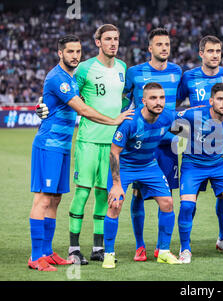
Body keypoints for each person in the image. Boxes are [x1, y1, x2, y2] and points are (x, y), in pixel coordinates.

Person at [28, 34, 133, 271]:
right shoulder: (58, 77)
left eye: (78, 52)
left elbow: (54, 102)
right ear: (60, 53)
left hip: (64, 145)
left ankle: (47, 252)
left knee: (55, 200)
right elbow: (83, 109)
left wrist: (42, 104)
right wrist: (113, 120)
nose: (75, 56)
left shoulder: (73, 78)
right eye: (70, 52)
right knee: (43, 199)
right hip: (49, 145)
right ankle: (36, 256)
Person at [65, 24, 128, 265]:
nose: (113, 43)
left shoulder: (123, 68)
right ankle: (73, 248)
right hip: (89, 140)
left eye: (116, 39)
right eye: (108, 39)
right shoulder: (85, 68)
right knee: (82, 192)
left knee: (104, 195)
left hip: (111, 143)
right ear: (98, 42)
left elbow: (121, 100)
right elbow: (69, 95)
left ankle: (98, 248)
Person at [102, 82, 181, 268]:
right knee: (115, 204)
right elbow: (114, 152)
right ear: (143, 101)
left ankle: (163, 251)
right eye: (153, 98)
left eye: (161, 98)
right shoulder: (130, 122)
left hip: (149, 165)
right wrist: (116, 184)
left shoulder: (168, 116)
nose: (158, 102)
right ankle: (108, 254)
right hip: (126, 166)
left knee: (168, 203)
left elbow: (187, 121)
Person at [177, 35, 223, 253]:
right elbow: (175, 105)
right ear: (201, 53)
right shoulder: (189, 77)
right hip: (195, 147)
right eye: (210, 51)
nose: (215, 55)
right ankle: (186, 243)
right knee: (189, 199)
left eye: (218, 51)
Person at [122, 28, 182, 261]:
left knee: (165, 196)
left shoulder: (177, 72)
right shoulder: (134, 73)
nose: (164, 48)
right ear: (150, 48)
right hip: (140, 142)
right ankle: (140, 245)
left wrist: (177, 132)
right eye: (159, 44)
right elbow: (125, 100)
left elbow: (179, 103)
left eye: (167, 44)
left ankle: (162, 248)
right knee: (137, 194)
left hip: (168, 144)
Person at [176, 83, 223, 263]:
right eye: (220, 99)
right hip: (193, 165)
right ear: (211, 101)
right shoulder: (194, 114)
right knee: (187, 206)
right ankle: (185, 249)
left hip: (219, 165)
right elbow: (171, 123)